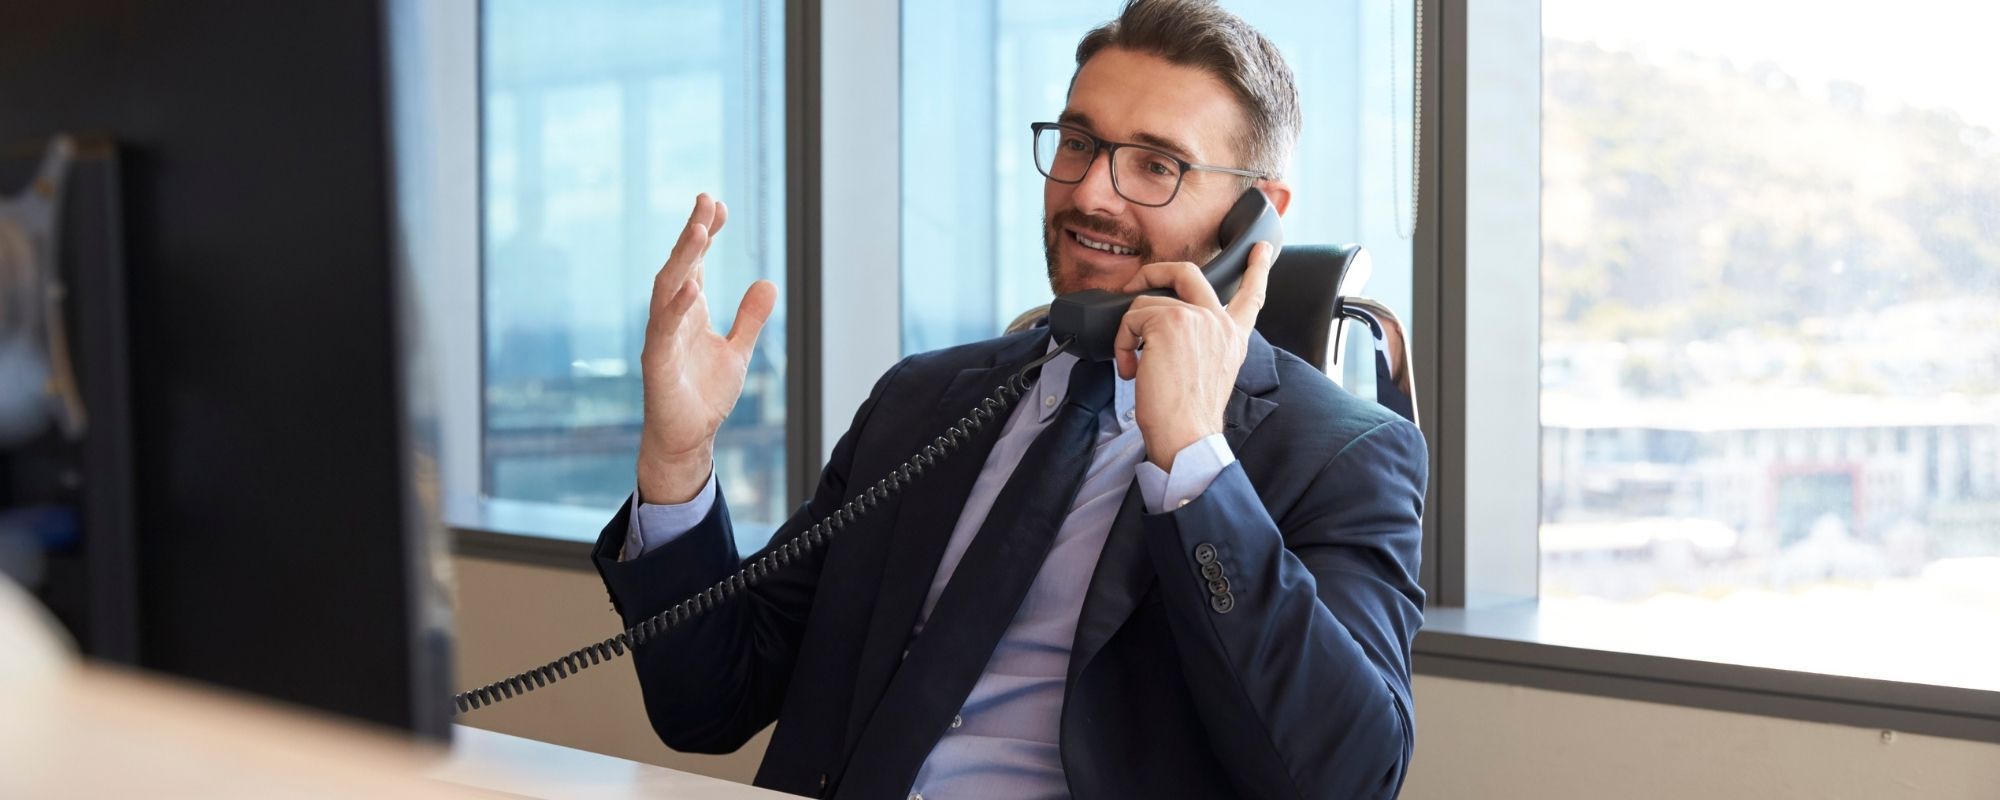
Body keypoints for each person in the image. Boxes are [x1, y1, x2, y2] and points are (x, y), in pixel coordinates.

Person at [590, 1, 1426, 797]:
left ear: (1258, 216)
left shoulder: (1342, 456)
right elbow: (708, 704)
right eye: (1078, 142)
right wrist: (677, 458)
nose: (1092, 193)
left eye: (1155, 165)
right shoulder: (921, 403)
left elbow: (1347, 778)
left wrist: (1194, 462)